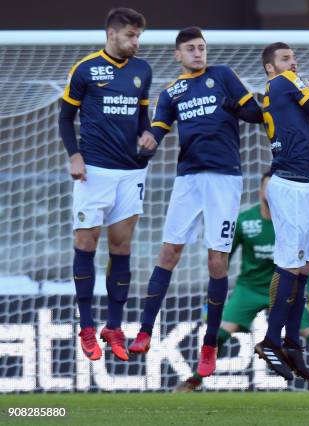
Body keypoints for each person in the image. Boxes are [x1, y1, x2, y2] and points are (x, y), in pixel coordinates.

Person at [127, 27, 262, 380]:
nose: (198, 53)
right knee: (168, 253)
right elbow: (158, 130)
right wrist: (148, 140)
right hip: (188, 179)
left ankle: (210, 346)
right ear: (178, 55)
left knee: (217, 259)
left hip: (224, 179)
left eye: (201, 47)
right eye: (191, 48)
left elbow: (254, 113)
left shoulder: (224, 75)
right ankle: (143, 332)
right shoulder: (171, 92)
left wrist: (245, 105)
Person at [174, 172, 309, 391]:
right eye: (266, 189)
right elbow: (223, 260)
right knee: (219, 334)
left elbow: (308, 260)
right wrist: (211, 300)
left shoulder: (290, 221)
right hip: (249, 289)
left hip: (283, 288)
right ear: (261, 191)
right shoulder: (244, 221)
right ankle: (195, 379)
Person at [58, 7, 151, 361]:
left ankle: (113, 326)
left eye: (138, 36)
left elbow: (144, 118)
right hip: (93, 169)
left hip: (131, 172)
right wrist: (74, 154)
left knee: (121, 246)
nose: (135, 42)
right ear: (112, 34)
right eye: (130, 36)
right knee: (86, 240)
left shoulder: (143, 70)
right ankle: (86, 326)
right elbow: (66, 118)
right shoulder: (85, 69)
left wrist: (148, 136)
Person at [253, 42, 309, 381]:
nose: (294, 63)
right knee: (290, 265)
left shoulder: (282, 94)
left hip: (302, 184)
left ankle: (291, 343)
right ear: (271, 68)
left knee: (303, 267)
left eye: (294, 58)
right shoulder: (286, 82)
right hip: (287, 185)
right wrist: (304, 86)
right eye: (286, 59)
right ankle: (271, 340)